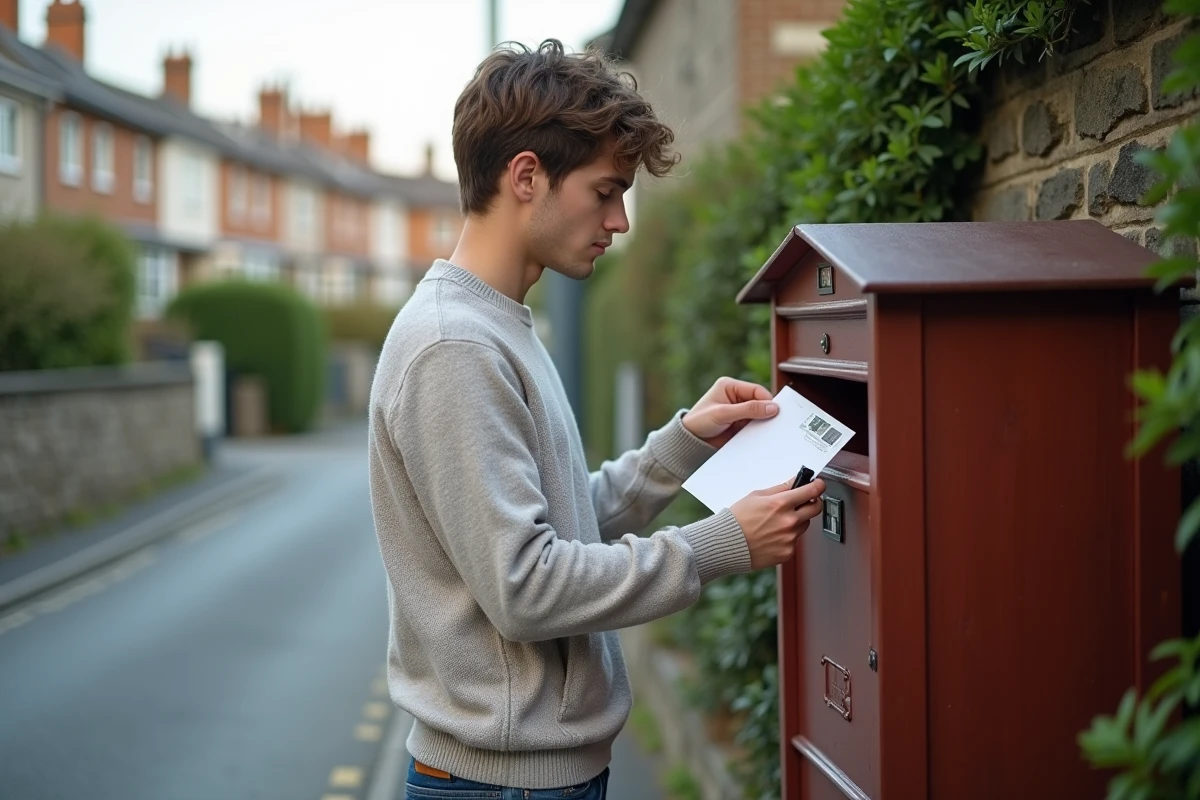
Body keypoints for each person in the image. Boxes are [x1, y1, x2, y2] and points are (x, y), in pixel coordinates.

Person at [367, 39, 825, 800]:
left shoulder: (497, 326)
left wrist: (680, 446)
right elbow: (525, 586)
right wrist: (718, 544)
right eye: (606, 192)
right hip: (504, 787)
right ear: (526, 177)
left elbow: (556, 520)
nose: (619, 221)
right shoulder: (455, 347)